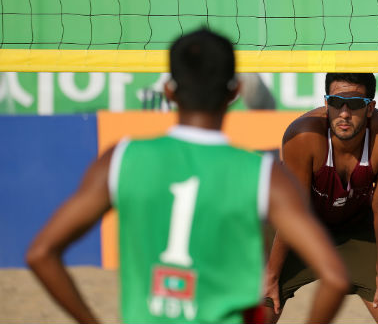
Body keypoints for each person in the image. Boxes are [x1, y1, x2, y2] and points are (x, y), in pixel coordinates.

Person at [25, 28, 349, 324]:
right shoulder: (263, 174)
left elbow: (40, 253)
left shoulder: (121, 159)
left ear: (168, 91)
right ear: (234, 91)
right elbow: (334, 277)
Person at [263, 73, 378, 324]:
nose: (344, 113)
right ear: (326, 104)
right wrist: (270, 275)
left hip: (355, 228)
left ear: (370, 108)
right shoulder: (303, 136)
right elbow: (294, 212)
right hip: (300, 229)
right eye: (335, 102)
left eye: (354, 104)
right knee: (259, 313)